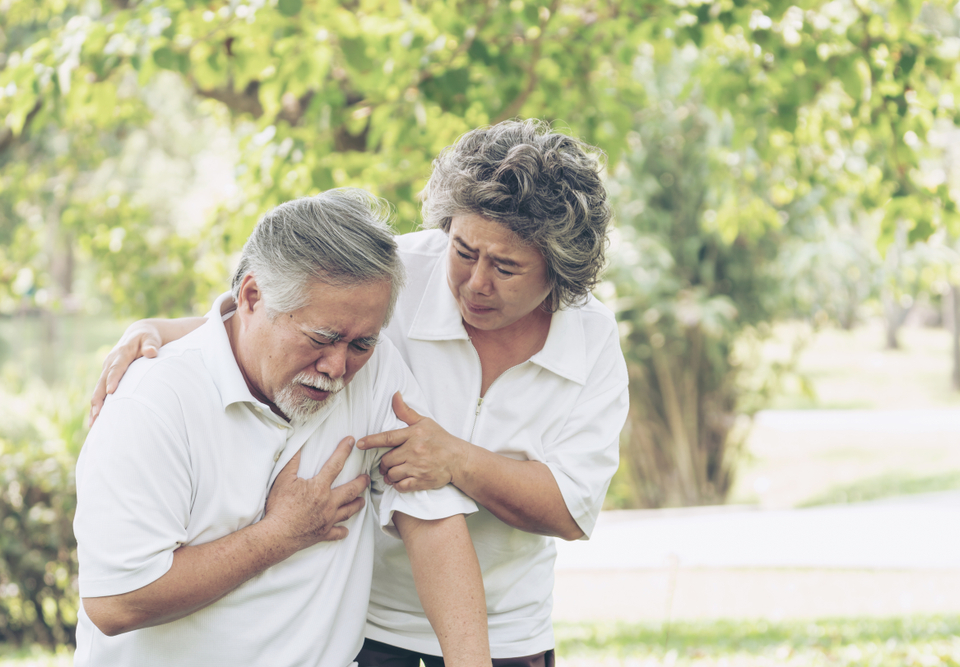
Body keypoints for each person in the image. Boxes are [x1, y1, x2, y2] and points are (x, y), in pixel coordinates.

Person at [90, 120, 630, 667]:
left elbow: (564, 508)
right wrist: (158, 329)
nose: (475, 282)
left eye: (506, 267)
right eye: (463, 251)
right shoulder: (394, 274)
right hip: (370, 617)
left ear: (558, 272)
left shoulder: (585, 340)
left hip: (506, 622)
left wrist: (454, 460)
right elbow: (270, 310)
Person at [74, 189, 491, 667]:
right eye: (322, 338)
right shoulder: (153, 400)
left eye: (361, 343)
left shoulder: (376, 373)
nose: (337, 366)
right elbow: (115, 602)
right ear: (252, 296)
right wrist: (281, 534)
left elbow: (432, 522)